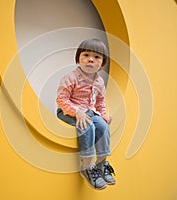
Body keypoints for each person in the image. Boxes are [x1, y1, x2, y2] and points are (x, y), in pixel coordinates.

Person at [56, 38, 116, 190]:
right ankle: (87, 165)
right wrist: (77, 112)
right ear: (78, 59)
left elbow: (100, 102)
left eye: (96, 57)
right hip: (67, 111)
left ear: (102, 63)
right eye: (86, 55)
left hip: (89, 112)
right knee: (87, 125)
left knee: (102, 125)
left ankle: (102, 162)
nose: (90, 59)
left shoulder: (99, 82)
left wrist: (103, 115)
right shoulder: (71, 78)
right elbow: (61, 99)